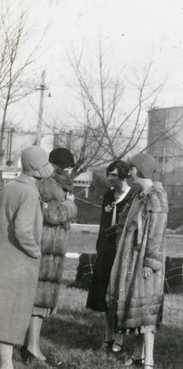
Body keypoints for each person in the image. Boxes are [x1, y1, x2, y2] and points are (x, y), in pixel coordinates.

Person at [107, 153, 168, 369]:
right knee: (136, 310)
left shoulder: (155, 196)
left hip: (144, 263)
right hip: (132, 260)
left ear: (140, 170)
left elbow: (156, 234)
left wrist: (150, 264)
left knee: (145, 312)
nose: (129, 171)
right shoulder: (140, 194)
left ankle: (148, 362)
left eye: (132, 168)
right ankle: (137, 357)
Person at [21, 148, 78, 365]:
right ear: (63, 166)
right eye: (70, 167)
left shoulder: (49, 180)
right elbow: (53, 214)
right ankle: (32, 347)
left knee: (40, 299)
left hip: (47, 246)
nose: (72, 172)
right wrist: (70, 204)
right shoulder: (51, 183)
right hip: (47, 247)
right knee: (40, 300)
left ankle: (30, 345)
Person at [0, 146, 53, 369]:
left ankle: (5, 361)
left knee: (3, 311)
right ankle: (6, 365)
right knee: (13, 314)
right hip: (21, 260)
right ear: (35, 168)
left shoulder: (10, 187)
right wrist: (35, 251)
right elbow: (22, 230)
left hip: (5, 258)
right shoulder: (30, 192)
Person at [86, 160, 136, 353]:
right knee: (106, 296)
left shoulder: (133, 197)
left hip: (122, 251)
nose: (109, 178)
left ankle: (119, 339)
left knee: (118, 295)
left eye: (113, 175)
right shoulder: (108, 195)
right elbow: (102, 224)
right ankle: (108, 337)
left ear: (123, 175)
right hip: (106, 251)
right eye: (108, 174)